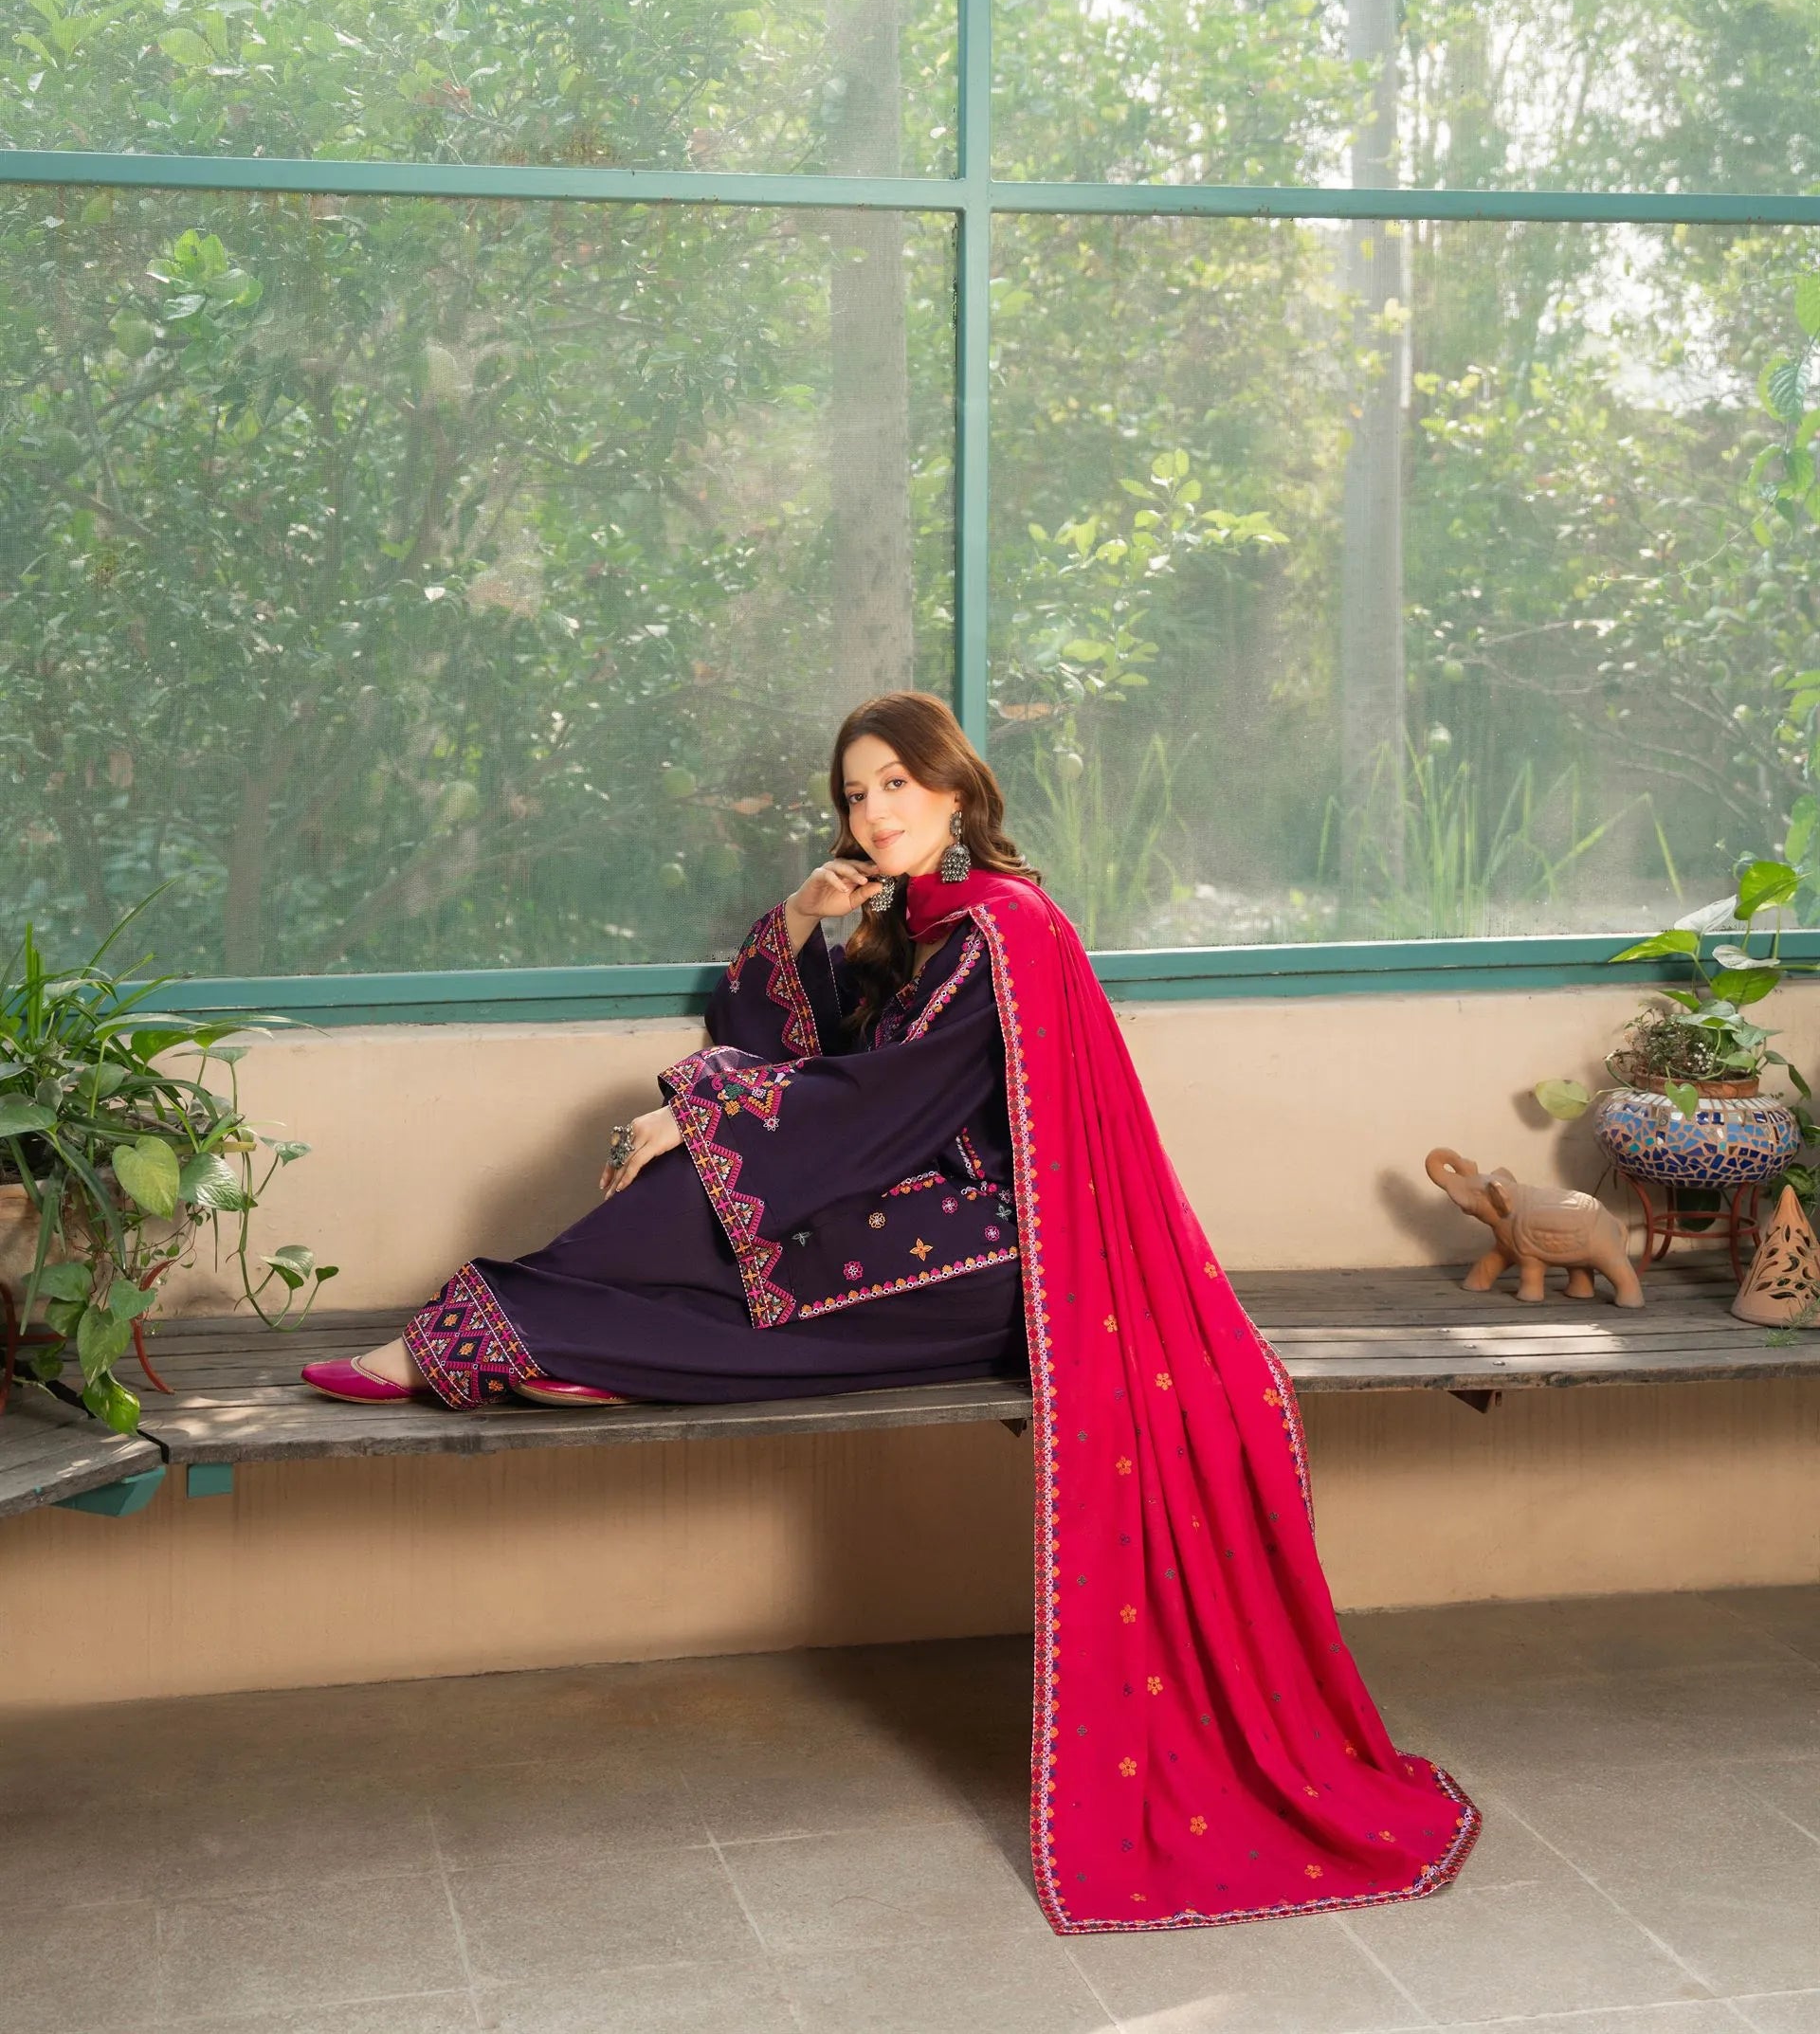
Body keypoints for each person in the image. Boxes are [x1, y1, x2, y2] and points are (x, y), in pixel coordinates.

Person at [301, 689, 1479, 1932]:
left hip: (1022, 1252)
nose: (873, 812)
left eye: (896, 786)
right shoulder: (922, 922)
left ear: (955, 792)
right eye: (855, 795)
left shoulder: (1003, 929)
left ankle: (493, 1336)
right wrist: (801, 924)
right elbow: (829, 1067)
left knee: (704, 1196)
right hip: (935, 1210)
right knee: (725, 1233)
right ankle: (534, 1340)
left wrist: (691, 1115)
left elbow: (876, 1102)